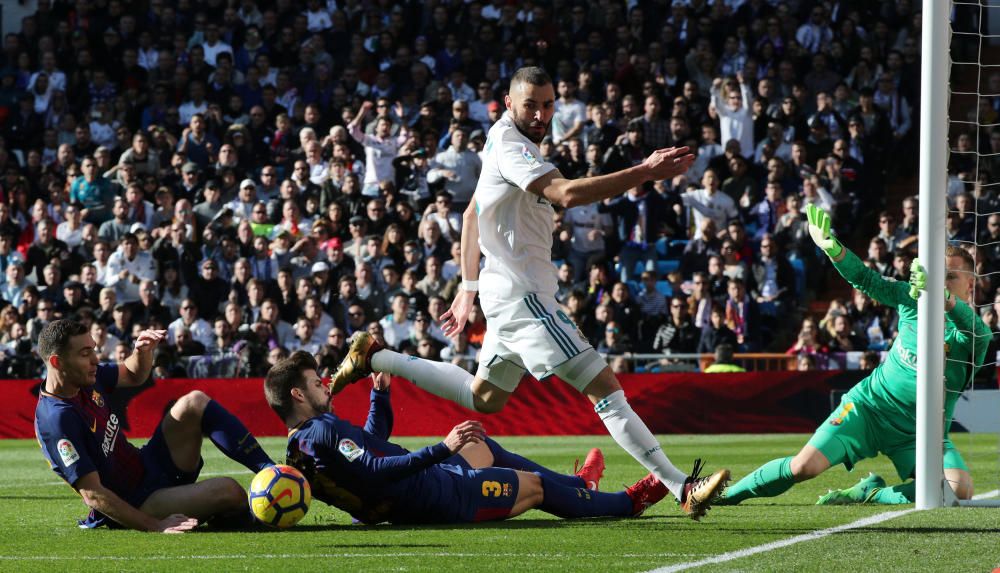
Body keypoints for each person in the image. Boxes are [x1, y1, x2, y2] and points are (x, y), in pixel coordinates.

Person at [326, 67, 728, 520]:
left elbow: (472, 216)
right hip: (526, 299)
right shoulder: (514, 149)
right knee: (605, 389)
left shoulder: (500, 141)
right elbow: (567, 194)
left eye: (548, 104)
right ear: (508, 102)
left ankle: (376, 357)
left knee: (485, 398)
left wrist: (468, 288)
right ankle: (681, 487)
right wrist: (646, 171)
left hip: (503, 297)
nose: (540, 114)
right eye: (530, 105)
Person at [718, 205, 990, 506]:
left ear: (971, 285)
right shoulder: (911, 300)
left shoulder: (975, 336)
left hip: (921, 432)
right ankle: (722, 495)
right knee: (803, 467)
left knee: (958, 489)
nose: (941, 282)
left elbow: (972, 324)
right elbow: (865, 279)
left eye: (950, 277)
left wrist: (944, 297)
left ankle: (873, 493)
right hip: (869, 409)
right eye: (937, 275)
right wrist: (832, 247)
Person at [264, 351, 671, 525]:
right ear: (298, 395)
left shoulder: (302, 443)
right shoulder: (321, 430)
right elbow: (374, 471)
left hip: (418, 490)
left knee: (481, 445)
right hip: (438, 497)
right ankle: (625, 503)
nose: (326, 386)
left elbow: (372, 448)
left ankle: (583, 487)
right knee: (535, 488)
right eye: (317, 383)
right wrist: (444, 446)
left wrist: (381, 393)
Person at [33, 319, 275, 532]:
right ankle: (239, 517)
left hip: (146, 464)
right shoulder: (57, 420)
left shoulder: (85, 378)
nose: (96, 360)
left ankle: (271, 471)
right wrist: (154, 525)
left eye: (94, 350)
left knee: (194, 402)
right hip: (135, 500)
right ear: (57, 362)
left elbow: (132, 373)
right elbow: (93, 494)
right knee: (230, 491)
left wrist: (142, 351)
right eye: (86, 354)